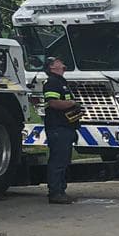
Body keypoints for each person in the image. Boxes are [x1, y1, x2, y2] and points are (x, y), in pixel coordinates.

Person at [41, 54, 81, 204]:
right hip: (58, 128)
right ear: (52, 67)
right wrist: (71, 103)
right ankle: (55, 193)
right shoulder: (52, 82)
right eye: (59, 61)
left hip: (66, 127)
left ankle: (61, 191)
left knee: (64, 161)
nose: (62, 63)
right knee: (58, 161)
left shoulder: (61, 82)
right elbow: (53, 103)